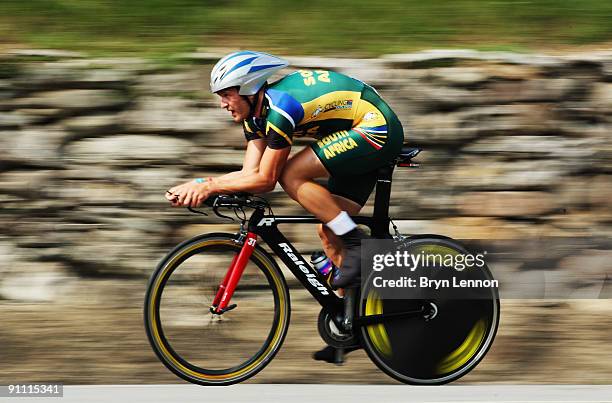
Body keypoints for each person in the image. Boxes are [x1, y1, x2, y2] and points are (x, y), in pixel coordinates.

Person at [165, 50, 404, 363]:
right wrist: (201, 185)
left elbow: (266, 179)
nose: (222, 104)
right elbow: (248, 174)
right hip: (349, 132)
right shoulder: (255, 118)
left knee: (292, 173)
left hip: (375, 128)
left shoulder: (280, 110)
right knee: (329, 230)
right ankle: (352, 326)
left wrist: (209, 185)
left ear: (249, 89)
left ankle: (357, 241)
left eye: (226, 95)